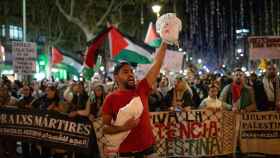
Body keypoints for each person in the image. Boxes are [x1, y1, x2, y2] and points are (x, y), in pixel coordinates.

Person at [102, 42, 167, 157]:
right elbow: (105, 128)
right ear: (116, 77)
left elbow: (157, 64)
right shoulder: (110, 98)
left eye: (132, 71)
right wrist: (124, 128)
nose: (131, 74)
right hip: (126, 152)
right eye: (126, 72)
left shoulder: (142, 88)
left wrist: (166, 41)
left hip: (149, 149)